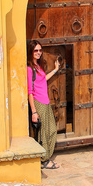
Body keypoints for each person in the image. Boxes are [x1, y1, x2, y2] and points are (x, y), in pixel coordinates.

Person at [27, 40, 61, 169]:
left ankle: (45, 157)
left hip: (45, 102)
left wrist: (55, 70)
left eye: (40, 50)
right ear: (31, 52)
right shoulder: (29, 69)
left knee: (51, 130)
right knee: (42, 133)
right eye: (36, 50)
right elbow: (30, 92)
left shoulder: (38, 66)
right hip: (38, 103)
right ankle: (43, 160)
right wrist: (34, 112)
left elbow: (42, 80)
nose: (38, 53)